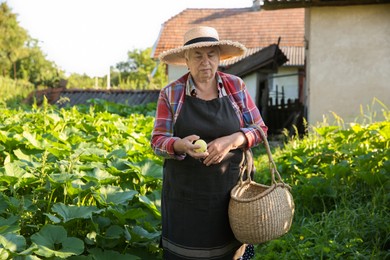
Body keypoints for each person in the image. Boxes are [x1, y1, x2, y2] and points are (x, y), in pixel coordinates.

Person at [151, 26, 267, 260]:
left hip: (230, 195)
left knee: (231, 252)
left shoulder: (236, 87)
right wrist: (181, 145)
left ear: (219, 57)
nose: (206, 61)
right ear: (186, 59)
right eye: (198, 55)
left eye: (211, 54)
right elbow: (157, 142)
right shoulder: (171, 93)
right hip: (185, 198)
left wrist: (233, 140)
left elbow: (260, 129)